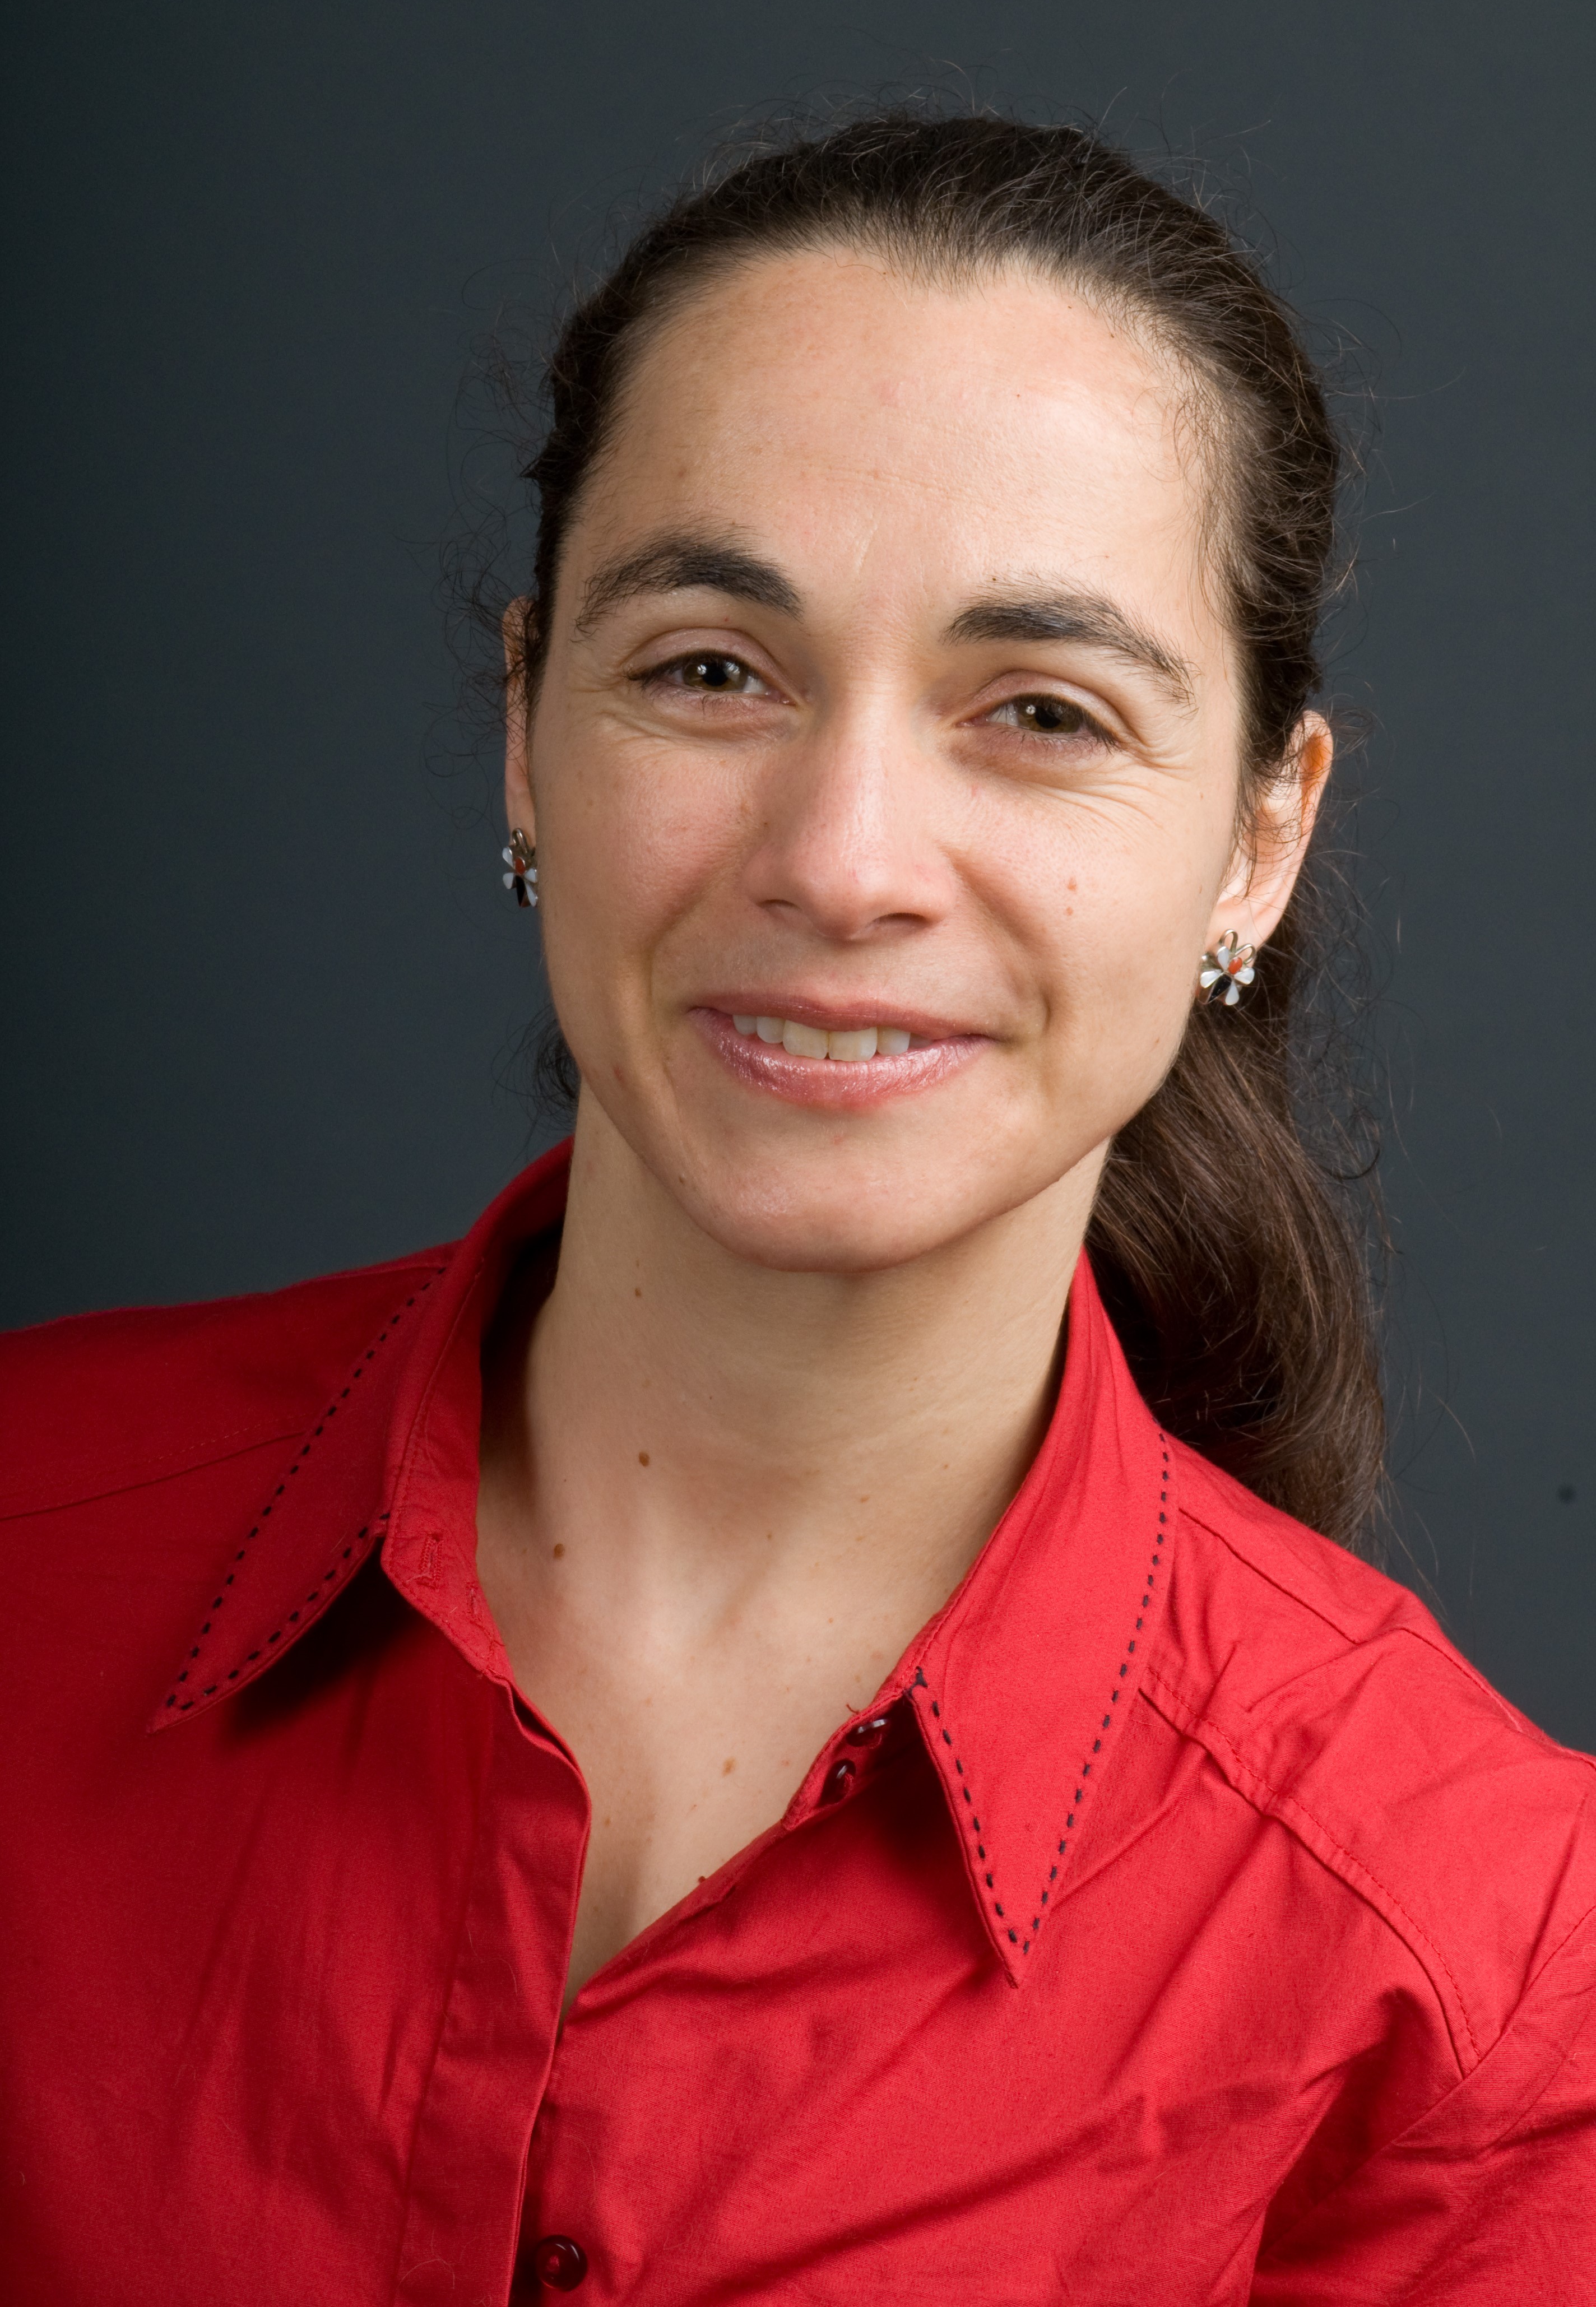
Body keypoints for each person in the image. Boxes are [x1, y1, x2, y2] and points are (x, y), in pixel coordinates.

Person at [2, 112, 1592, 2307]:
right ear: (524, 733)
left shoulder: (1479, 1954)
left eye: (1038, 711)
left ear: (1254, 840)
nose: (842, 859)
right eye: (711, 669)